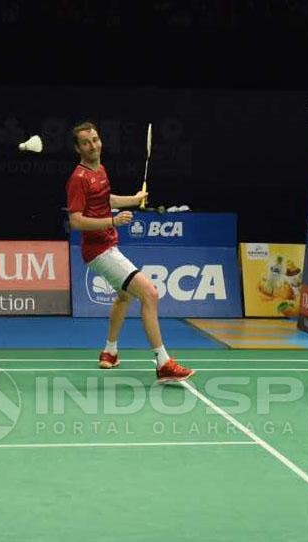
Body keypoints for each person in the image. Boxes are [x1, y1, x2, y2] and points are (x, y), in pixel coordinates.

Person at [65, 122, 194, 383]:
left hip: (107, 245)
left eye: (95, 139)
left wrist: (134, 199)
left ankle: (110, 352)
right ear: (78, 148)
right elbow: (76, 221)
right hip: (98, 250)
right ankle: (163, 363)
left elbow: (106, 200)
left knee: (124, 296)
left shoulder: (100, 170)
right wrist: (112, 221)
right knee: (149, 292)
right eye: (86, 142)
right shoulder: (78, 178)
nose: (93, 145)